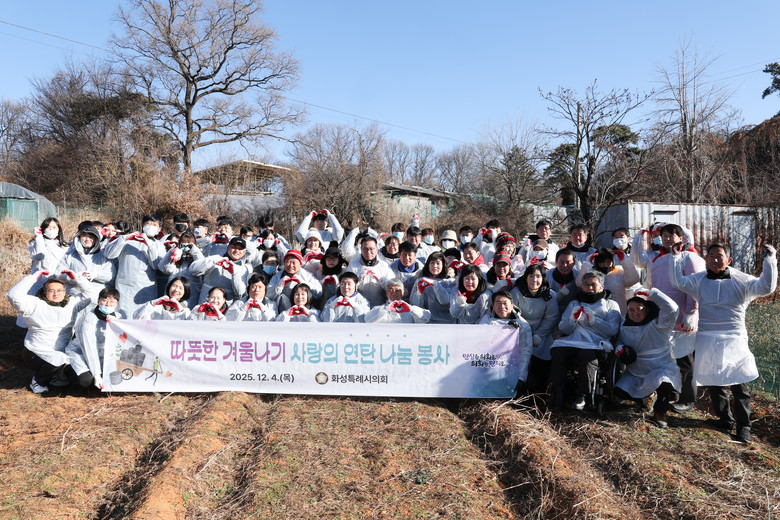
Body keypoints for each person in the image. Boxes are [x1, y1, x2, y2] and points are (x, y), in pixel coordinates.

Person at [669, 242, 777, 443]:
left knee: (739, 383)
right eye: (711, 256)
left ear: (729, 260)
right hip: (707, 337)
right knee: (713, 380)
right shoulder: (699, 279)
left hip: (734, 337)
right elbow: (678, 283)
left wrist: (770, 260)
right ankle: (724, 419)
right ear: (706, 259)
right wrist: (675, 258)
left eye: (719, 256)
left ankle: (744, 427)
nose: (715, 260)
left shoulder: (741, 280)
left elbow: (766, 287)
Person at [632, 222, 705, 414]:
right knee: (662, 358)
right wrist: (640, 236)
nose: (667, 239)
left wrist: (691, 312)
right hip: (660, 316)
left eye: (671, 235)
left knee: (685, 361)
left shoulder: (689, 258)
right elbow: (640, 264)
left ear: (681, 238)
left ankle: (688, 399)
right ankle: (669, 393)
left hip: (682, 318)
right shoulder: (656, 258)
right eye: (664, 235)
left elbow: (695, 287)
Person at [7, 270, 96, 393]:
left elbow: (92, 296)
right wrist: (33, 277)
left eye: (59, 290)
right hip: (36, 353)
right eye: (51, 291)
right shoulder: (33, 304)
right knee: (58, 358)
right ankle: (38, 381)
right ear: (45, 292)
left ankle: (57, 375)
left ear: (65, 292)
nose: (56, 294)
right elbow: (13, 295)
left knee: (84, 380)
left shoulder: (72, 303)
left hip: (65, 354)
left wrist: (77, 278)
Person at [548, 271, 621, 411]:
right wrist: (572, 319)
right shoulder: (574, 303)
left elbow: (612, 330)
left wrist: (594, 320)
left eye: (593, 284)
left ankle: (582, 395)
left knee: (586, 355)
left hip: (597, 342)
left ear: (601, 286)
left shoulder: (611, 304)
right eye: (586, 284)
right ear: (582, 287)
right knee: (558, 351)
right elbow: (563, 328)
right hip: (574, 339)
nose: (590, 288)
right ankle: (557, 391)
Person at [615, 289, 681, 428]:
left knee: (664, 383)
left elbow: (672, 309)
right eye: (631, 310)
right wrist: (620, 348)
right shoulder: (623, 323)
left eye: (639, 309)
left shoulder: (660, 324)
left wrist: (653, 294)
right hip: (636, 371)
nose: (635, 313)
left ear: (647, 309)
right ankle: (645, 400)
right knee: (619, 392)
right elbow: (618, 340)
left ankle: (660, 413)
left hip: (661, 367)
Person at [103, 214, 166, 317]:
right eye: (148, 223)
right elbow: (109, 254)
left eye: (154, 224)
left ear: (159, 229)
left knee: (144, 316)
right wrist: (123, 238)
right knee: (123, 317)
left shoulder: (159, 246)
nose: (150, 226)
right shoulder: (129, 241)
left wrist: (150, 245)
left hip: (145, 289)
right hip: (124, 287)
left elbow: (156, 265)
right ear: (142, 225)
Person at [510, 264, 560, 393]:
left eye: (538, 276)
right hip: (520, 329)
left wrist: (539, 334)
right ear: (526, 277)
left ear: (543, 278)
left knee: (541, 360)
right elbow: (513, 312)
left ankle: (539, 392)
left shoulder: (550, 295)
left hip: (541, 331)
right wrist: (522, 329)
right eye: (531, 276)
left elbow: (551, 317)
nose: (534, 280)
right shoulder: (516, 292)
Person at [64, 287, 121, 390]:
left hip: (102, 354)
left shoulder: (118, 317)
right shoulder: (88, 320)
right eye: (104, 300)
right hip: (80, 352)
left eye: (112, 301)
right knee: (85, 381)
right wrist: (96, 375)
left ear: (117, 303)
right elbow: (89, 348)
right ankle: (65, 371)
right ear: (98, 301)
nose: (108, 304)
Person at [478, 290, 533, 394]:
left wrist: (521, 376)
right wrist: (504, 328)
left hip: (512, 366)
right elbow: (480, 339)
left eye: (505, 303)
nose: (502, 306)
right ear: (493, 306)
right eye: (498, 303)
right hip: (491, 364)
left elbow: (525, 351)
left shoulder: (522, 324)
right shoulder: (487, 320)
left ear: (512, 305)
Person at [577, 247, 640, 315]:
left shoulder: (619, 271)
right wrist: (587, 264)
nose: (605, 265)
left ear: (612, 261)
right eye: (602, 262)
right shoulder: (591, 274)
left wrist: (625, 260)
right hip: (599, 312)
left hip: (620, 310)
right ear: (597, 262)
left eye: (608, 262)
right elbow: (580, 283)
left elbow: (633, 280)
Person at [189, 236, 251, 304]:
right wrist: (213, 261)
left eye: (240, 249)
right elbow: (193, 269)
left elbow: (240, 293)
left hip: (226, 305)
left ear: (244, 252)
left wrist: (235, 274)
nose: (236, 251)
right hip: (205, 301)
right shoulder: (215, 258)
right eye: (233, 247)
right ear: (228, 247)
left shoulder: (244, 269)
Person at [57, 224, 115, 295]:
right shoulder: (70, 255)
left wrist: (97, 275)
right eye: (84, 236)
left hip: (97, 295)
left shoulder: (104, 255)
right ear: (79, 237)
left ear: (96, 239)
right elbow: (59, 274)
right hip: (75, 295)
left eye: (91, 236)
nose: (87, 239)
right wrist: (72, 277)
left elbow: (111, 276)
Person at [158, 231, 204, 310]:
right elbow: (165, 268)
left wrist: (195, 251)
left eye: (189, 244)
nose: (186, 247)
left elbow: (201, 267)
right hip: (173, 291)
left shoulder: (198, 257)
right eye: (183, 243)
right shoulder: (176, 258)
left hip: (191, 292)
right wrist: (173, 251)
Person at [346, 237, 393, 307]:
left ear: (377, 249)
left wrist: (385, 283)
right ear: (361, 249)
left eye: (371, 249)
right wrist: (357, 282)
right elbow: (347, 286)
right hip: (359, 306)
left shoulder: (384, 265)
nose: (368, 252)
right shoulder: (353, 265)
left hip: (380, 306)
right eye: (365, 249)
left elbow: (393, 286)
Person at [409, 252, 455, 324]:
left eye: (438, 263)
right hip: (427, 321)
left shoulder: (449, 282)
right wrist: (419, 294)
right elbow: (415, 306)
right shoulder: (421, 280)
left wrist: (436, 285)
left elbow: (445, 301)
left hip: (446, 321)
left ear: (443, 265)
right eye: (432, 263)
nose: (434, 266)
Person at [364, 278, 431, 323]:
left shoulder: (409, 309)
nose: (394, 293)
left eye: (397, 290)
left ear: (403, 292)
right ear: (386, 292)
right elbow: (367, 320)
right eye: (391, 290)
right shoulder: (381, 309)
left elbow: (426, 318)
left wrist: (411, 309)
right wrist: (387, 308)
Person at [546, 248, 579, 317]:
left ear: (573, 263)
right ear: (556, 262)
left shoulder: (578, 276)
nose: (565, 265)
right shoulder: (547, 276)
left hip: (572, 312)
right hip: (550, 311)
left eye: (568, 262)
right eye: (562, 262)